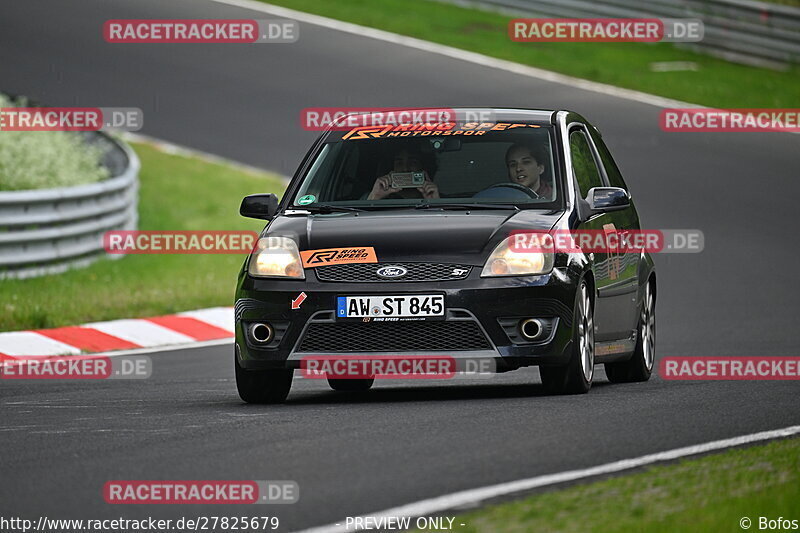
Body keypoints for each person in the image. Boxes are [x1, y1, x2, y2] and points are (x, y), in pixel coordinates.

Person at [367, 146, 439, 200]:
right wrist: (374, 198)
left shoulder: (445, 200)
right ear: (391, 168)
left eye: (413, 162)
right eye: (399, 163)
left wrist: (434, 202)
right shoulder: (372, 196)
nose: (405, 169)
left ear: (423, 167)